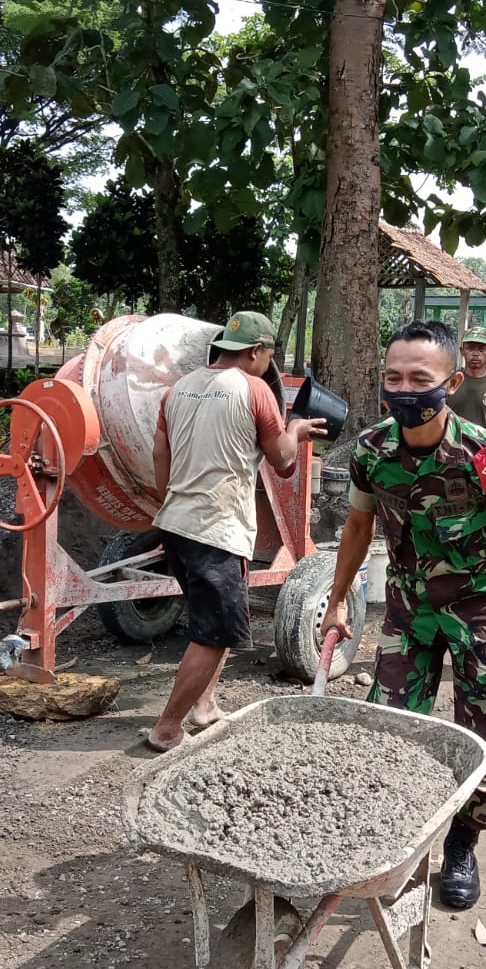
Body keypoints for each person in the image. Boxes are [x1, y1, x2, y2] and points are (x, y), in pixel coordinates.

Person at [320, 320, 486, 911]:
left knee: (480, 729)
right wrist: (338, 598)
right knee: (388, 724)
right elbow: (359, 527)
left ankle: (462, 843)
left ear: (453, 381)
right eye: (394, 377)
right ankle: (393, 835)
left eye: (420, 377)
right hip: (408, 609)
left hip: (479, 610)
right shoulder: (371, 449)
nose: (405, 388)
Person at [147, 311, 328, 751]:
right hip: (217, 529)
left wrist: (173, 498)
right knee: (213, 634)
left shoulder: (177, 389)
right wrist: (297, 430)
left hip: (175, 523)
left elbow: (159, 455)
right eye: (268, 354)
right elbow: (283, 461)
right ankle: (167, 729)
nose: (268, 363)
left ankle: (204, 706)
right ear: (255, 351)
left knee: (221, 623)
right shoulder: (254, 390)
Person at [445, 325, 486, 432]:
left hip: (483, 447)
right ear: (462, 351)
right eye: (470, 348)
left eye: (482, 349)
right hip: (451, 446)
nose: (475, 354)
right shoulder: (450, 382)